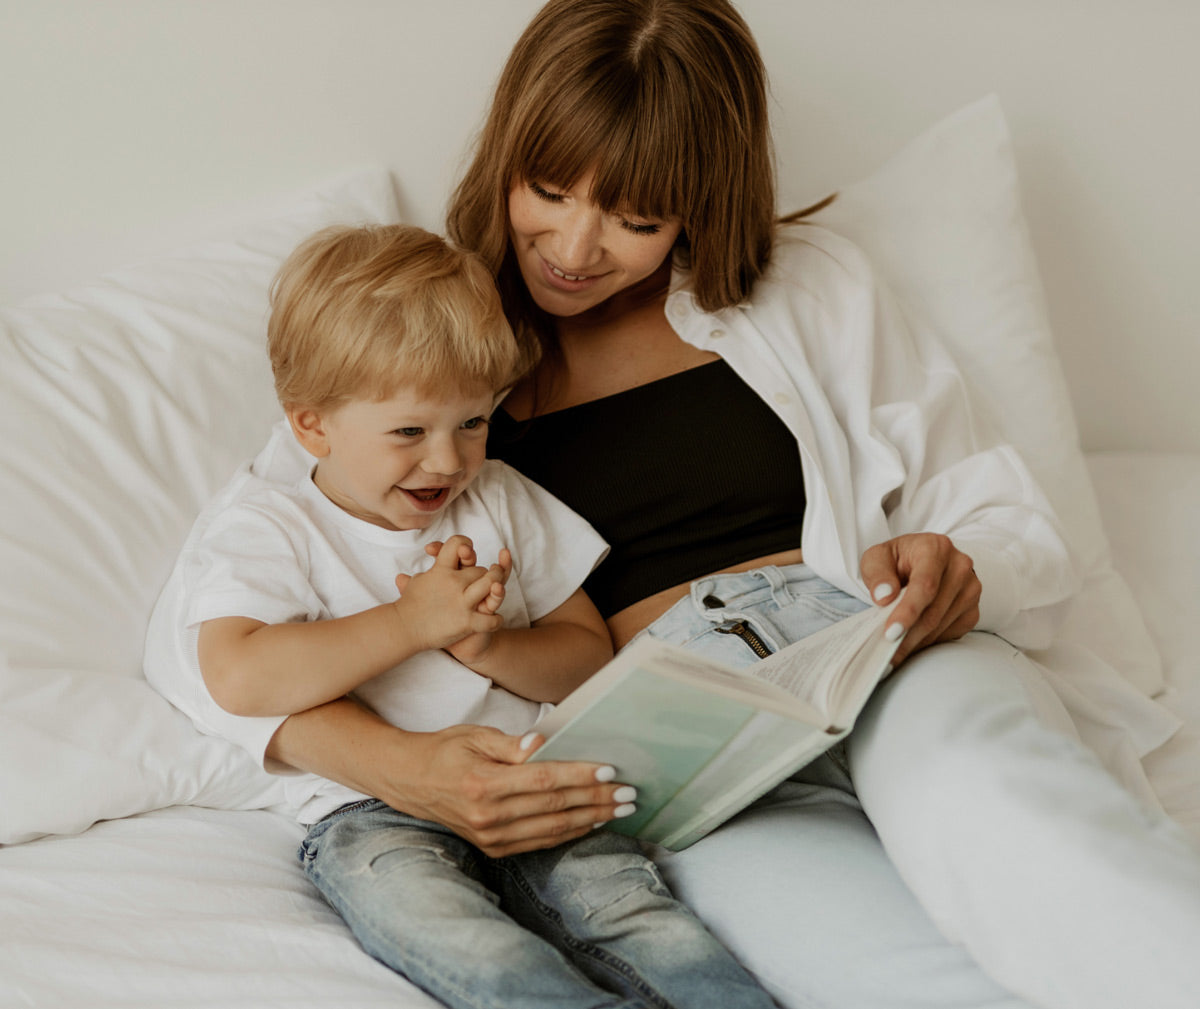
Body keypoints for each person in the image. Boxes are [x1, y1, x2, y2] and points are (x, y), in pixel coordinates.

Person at [231, 3, 1200, 1009]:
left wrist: (962, 566)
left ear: (700, 199)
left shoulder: (807, 289)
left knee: (1008, 817)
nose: (573, 246)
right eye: (549, 190)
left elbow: (995, 510)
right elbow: (219, 639)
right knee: (868, 970)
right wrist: (406, 768)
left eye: (636, 219)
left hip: (885, 669)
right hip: (685, 762)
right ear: (507, 155)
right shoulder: (411, 333)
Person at [144, 223, 777, 1009]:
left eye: (472, 422)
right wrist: (411, 625)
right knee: (470, 948)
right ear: (311, 424)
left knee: (640, 917)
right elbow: (240, 674)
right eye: (409, 430)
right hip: (371, 813)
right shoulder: (270, 525)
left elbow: (585, 653)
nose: (447, 460)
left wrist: (490, 644)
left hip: (533, 772)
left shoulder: (499, 497)